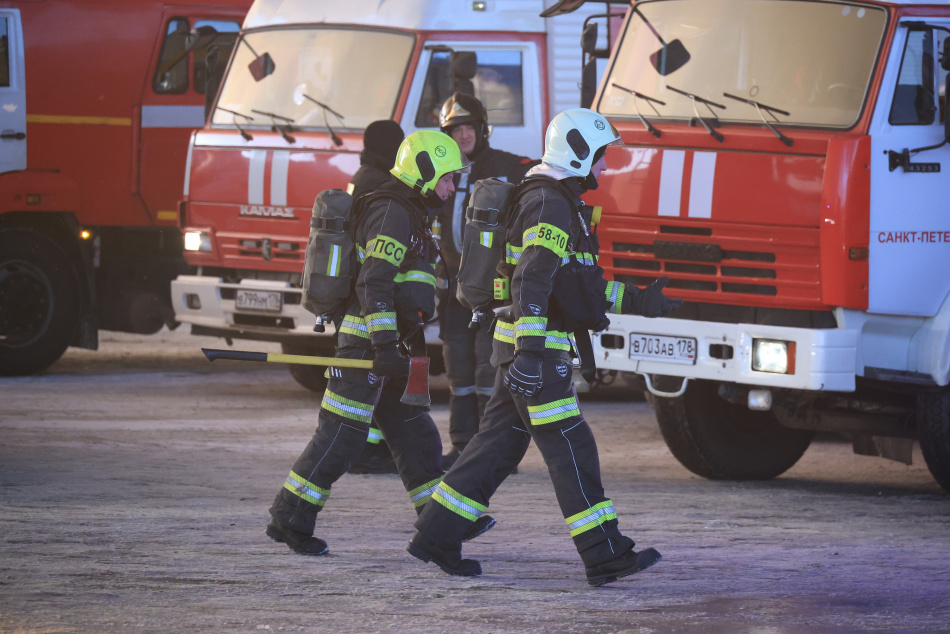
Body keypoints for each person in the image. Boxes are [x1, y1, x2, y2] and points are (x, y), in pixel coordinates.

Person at [407, 108, 683, 586]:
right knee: (571, 445)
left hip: (522, 350)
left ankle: (436, 533)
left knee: (496, 445)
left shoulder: (553, 199)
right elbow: (532, 280)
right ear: (577, 153)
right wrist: (532, 355)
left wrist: (642, 299)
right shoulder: (549, 203)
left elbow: (574, 286)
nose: (604, 167)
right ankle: (604, 551)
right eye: (600, 157)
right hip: (536, 353)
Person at [266, 129, 473, 556]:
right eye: (448, 179)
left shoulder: (411, 210)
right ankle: (290, 515)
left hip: (391, 348)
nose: (452, 188)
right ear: (424, 171)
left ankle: (439, 525)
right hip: (367, 345)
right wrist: (381, 346)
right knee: (341, 436)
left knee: (416, 438)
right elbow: (374, 281)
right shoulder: (392, 211)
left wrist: (394, 347)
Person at [435, 92, 538, 470]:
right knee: (457, 366)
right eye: (454, 130)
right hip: (452, 291)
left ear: (482, 129)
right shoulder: (440, 170)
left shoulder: (508, 167)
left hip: (494, 289)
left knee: (489, 367)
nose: (462, 137)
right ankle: (462, 446)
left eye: (467, 128)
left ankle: (493, 451)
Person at [344, 119, 405, 475]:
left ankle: (375, 448)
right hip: (370, 301)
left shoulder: (362, 175)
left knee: (372, 385)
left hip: (357, 295)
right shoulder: (379, 185)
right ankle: (367, 453)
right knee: (370, 385)